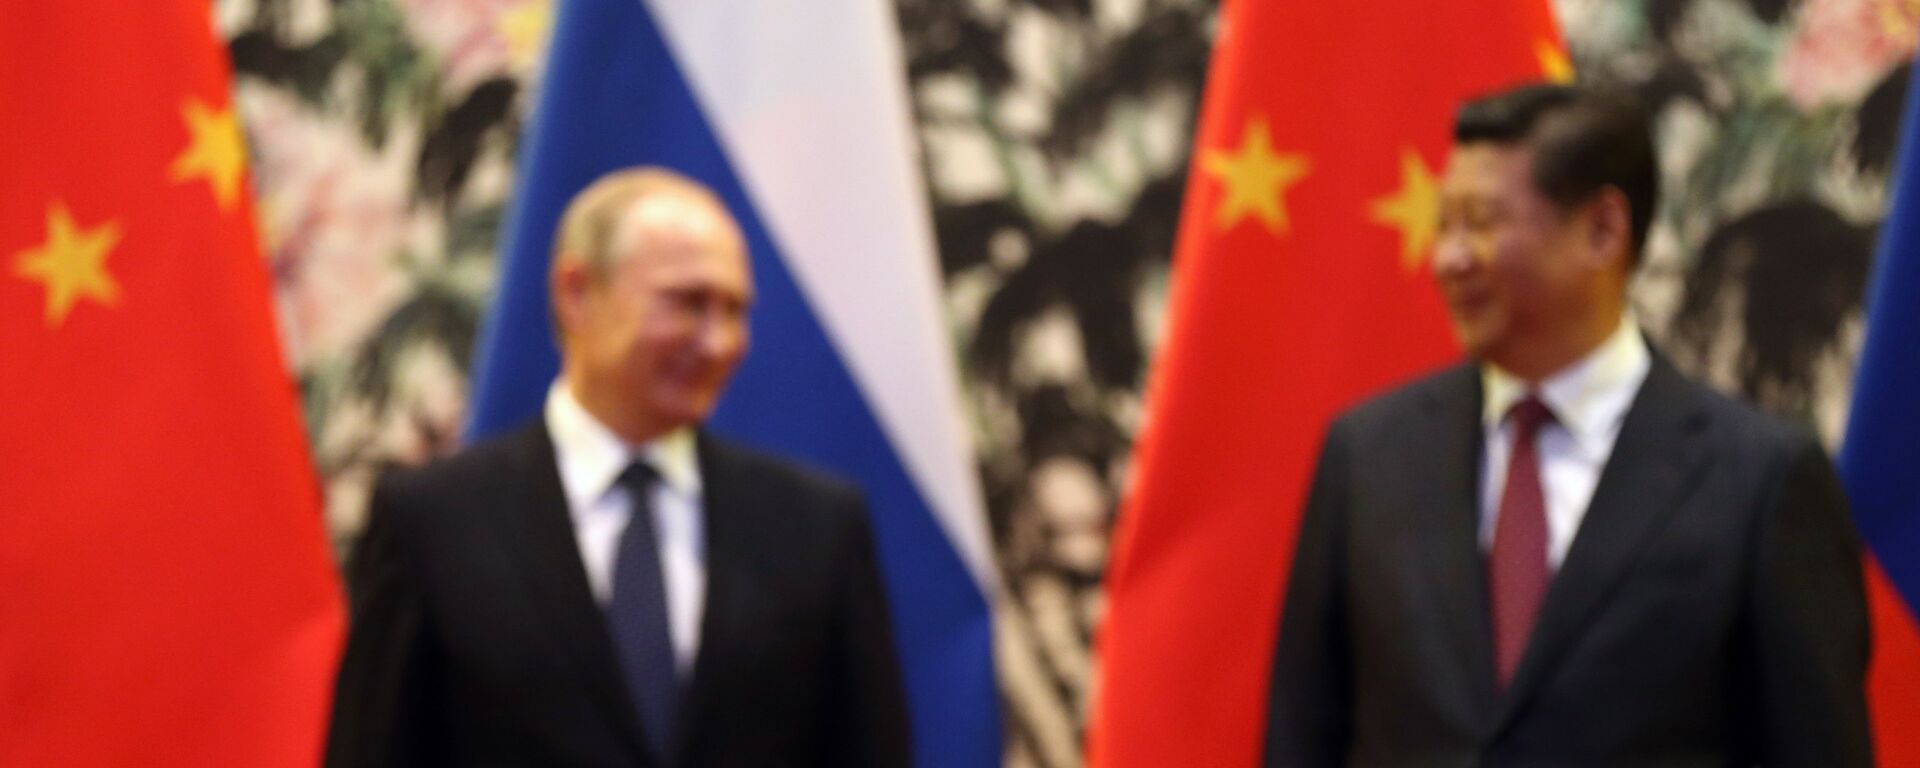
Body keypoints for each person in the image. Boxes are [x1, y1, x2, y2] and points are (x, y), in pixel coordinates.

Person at [1264, 84, 1872, 766]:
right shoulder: (1369, 455)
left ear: (1603, 229)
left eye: (1482, 222)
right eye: (1446, 224)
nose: (1449, 258)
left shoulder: (1760, 480)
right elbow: (1300, 736)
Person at [325, 168, 911, 767]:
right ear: (577, 292)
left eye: (735, 310)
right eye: (688, 303)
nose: (720, 342)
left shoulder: (814, 526)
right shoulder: (435, 523)